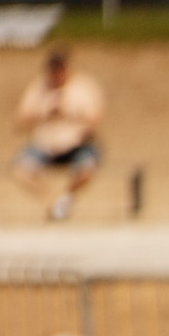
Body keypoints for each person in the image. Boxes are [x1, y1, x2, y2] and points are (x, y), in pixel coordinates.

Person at [12, 49, 105, 222]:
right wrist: (45, 114)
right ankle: (52, 202)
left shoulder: (83, 87)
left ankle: (65, 198)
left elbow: (94, 123)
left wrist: (71, 116)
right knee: (21, 170)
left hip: (75, 144)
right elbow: (19, 122)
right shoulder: (37, 88)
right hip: (44, 145)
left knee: (88, 166)